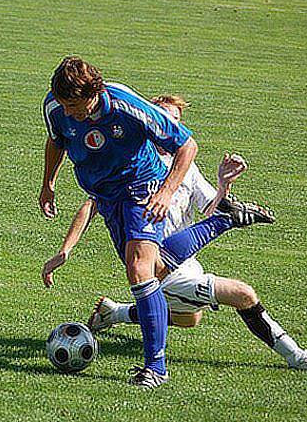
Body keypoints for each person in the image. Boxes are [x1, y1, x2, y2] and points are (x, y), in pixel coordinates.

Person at [39, 57, 274, 387]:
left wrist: (166, 191)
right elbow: (57, 140)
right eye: (63, 104)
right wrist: (48, 183)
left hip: (141, 186)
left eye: (74, 105)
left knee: (139, 269)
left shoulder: (125, 105)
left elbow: (187, 145)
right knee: (158, 269)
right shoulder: (55, 106)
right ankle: (225, 220)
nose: (68, 112)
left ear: (95, 93)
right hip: (106, 197)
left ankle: (155, 368)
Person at [75, 95, 307, 374]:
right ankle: (298, 357)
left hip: (185, 261)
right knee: (243, 294)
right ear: (148, 120)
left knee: (190, 318)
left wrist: (223, 186)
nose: (169, 125)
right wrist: (66, 249)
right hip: (158, 266)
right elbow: (93, 203)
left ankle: (114, 312)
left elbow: (211, 208)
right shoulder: (134, 165)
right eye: (162, 117)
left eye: (175, 120)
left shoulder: (185, 167)